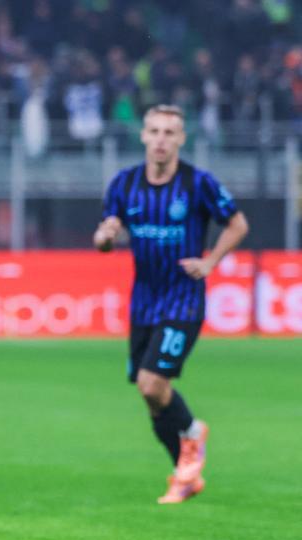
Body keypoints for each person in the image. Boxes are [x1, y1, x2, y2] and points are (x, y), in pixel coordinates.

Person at [93, 104, 249, 504]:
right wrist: (107, 236)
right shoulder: (123, 185)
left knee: (152, 382)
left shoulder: (198, 183)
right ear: (143, 136)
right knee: (150, 396)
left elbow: (238, 223)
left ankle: (193, 434)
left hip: (183, 298)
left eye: (170, 133)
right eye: (155, 131)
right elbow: (104, 241)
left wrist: (211, 261)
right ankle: (186, 473)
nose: (161, 139)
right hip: (144, 300)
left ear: (181, 139)